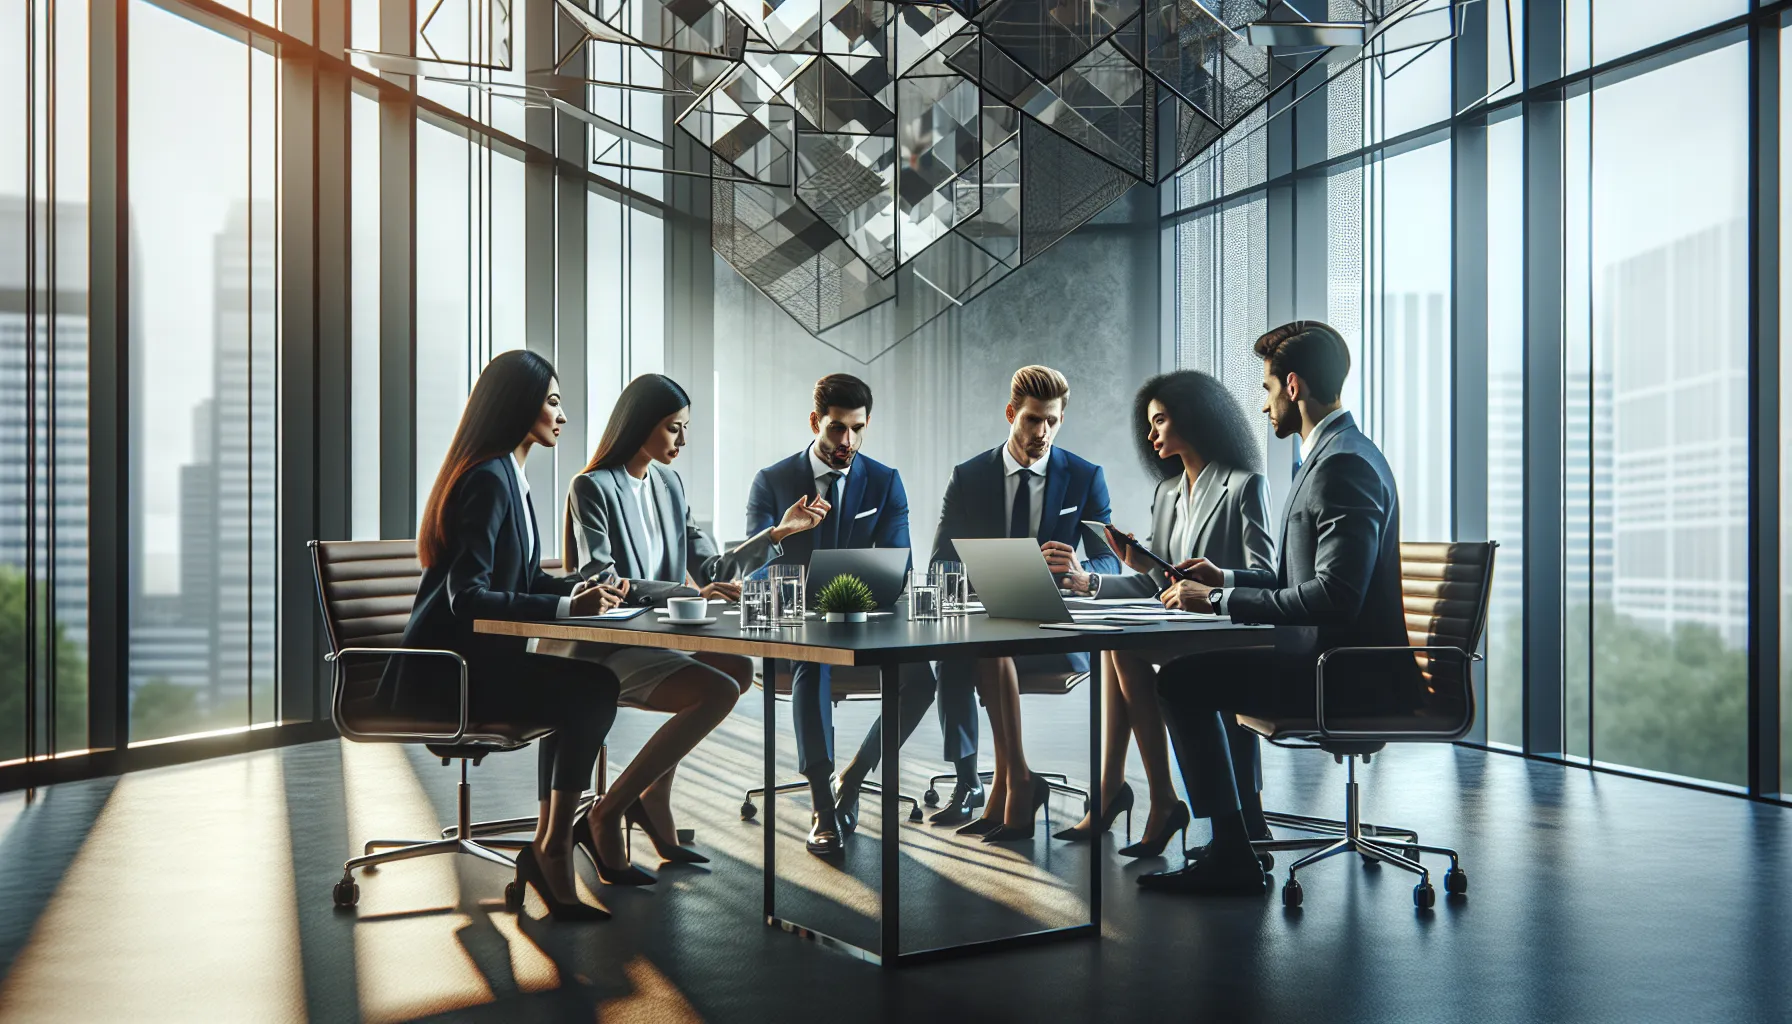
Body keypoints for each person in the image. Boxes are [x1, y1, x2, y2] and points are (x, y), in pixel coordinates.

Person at [1139, 320, 1416, 896]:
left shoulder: (1343, 465)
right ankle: (1234, 844)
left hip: (1344, 676)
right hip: (1326, 662)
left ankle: (1234, 855)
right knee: (1198, 677)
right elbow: (1302, 579)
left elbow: (1336, 598)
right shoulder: (1332, 457)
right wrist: (1228, 576)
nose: (1263, 406)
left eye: (1266, 390)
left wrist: (1218, 600)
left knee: (1183, 684)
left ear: (1293, 386)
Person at [544, 374, 830, 878]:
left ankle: (651, 797)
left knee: (737, 668)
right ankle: (607, 811)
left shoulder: (669, 483)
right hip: (607, 644)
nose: (683, 440)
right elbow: (602, 579)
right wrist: (686, 594)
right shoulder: (591, 487)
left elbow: (713, 571)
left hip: (660, 638)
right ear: (641, 425)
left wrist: (780, 532)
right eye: (675, 428)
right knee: (717, 692)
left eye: (686, 428)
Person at [386, 349, 630, 921]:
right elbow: (467, 597)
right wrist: (569, 605)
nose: (562, 414)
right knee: (590, 689)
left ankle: (551, 844)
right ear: (519, 407)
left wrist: (579, 592)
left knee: (587, 687)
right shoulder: (489, 480)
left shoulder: (506, 475)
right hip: (450, 679)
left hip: (476, 666)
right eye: (552, 401)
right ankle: (551, 848)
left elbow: (521, 579)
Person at [1052, 371, 1276, 857]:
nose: (1150, 435)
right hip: (1182, 624)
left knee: (1124, 650)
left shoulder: (1244, 486)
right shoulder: (1168, 493)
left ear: (1191, 418)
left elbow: (1268, 574)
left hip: (1227, 626)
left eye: (1159, 422)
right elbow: (1156, 583)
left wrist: (1219, 580)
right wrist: (1091, 581)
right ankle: (1148, 797)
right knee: (1117, 645)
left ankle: (1152, 798)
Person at [744, 373, 936, 857]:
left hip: (866, 624)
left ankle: (853, 776)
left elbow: (899, 564)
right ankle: (822, 806)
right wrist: (783, 534)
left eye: (856, 428)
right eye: (835, 429)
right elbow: (751, 570)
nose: (846, 441)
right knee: (814, 662)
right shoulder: (772, 481)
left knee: (923, 680)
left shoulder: (885, 482)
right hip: (801, 629)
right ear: (815, 422)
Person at [931, 365, 1120, 840]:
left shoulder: (1084, 477)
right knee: (965, 652)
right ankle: (986, 778)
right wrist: (984, 574)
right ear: (1012, 414)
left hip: (1054, 628)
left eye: (1052, 421)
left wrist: (1080, 573)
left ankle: (1011, 784)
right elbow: (940, 564)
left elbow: (1111, 563)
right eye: (1033, 420)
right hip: (991, 621)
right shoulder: (970, 477)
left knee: (987, 648)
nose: (1043, 432)